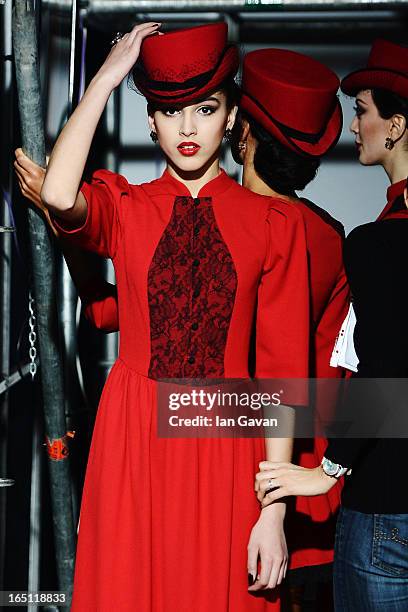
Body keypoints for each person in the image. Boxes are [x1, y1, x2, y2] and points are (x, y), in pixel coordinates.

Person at [39, 22, 311, 611]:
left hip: (229, 446)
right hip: (133, 441)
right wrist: (108, 76)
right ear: (152, 122)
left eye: (205, 108)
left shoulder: (273, 224)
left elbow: (283, 376)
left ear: (233, 116)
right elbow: (60, 195)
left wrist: (275, 510)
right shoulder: (125, 206)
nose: (188, 128)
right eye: (170, 111)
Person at [255, 39, 408, 612]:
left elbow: (386, 369)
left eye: (364, 111)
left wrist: (326, 470)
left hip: (386, 506)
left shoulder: (376, 242)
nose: (354, 127)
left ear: (395, 127)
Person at [230, 49, 349, 611]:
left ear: (243, 131)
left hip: (249, 469)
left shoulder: (243, 224)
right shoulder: (330, 231)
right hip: (316, 472)